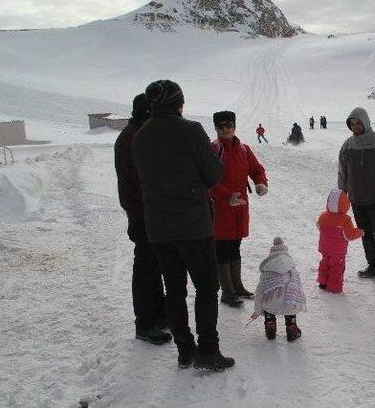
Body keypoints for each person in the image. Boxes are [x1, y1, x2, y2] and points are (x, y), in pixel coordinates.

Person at [133, 80, 234, 371]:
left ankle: (185, 350)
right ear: (179, 103)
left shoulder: (140, 136)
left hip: (159, 228)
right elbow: (213, 175)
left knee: (174, 289)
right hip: (192, 225)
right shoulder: (190, 131)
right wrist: (213, 158)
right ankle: (208, 350)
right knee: (205, 287)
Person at [114, 93, 170, 346]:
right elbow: (143, 180)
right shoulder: (134, 139)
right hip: (142, 213)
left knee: (153, 265)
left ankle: (158, 316)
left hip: (147, 211)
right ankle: (145, 324)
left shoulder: (136, 134)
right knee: (146, 268)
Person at [209, 110, 268, 308]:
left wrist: (260, 183)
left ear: (234, 126)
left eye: (228, 125)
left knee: (235, 247)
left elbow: (257, 169)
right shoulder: (213, 149)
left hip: (240, 208)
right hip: (220, 208)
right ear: (216, 128)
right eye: (220, 126)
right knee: (222, 249)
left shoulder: (243, 149)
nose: (225, 129)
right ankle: (227, 291)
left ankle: (237, 286)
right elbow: (208, 180)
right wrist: (226, 197)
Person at [338, 107, 375, 284]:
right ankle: (373, 266)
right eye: (352, 123)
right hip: (356, 199)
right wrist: (342, 193)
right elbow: (342, 171)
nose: (355, 126)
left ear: (365, 122)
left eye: (358, 122)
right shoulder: (348, 145)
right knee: (365, 234)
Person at [250, 237, 306, 341]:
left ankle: (270, 328)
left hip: (270, 306)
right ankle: (291, 329)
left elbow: (259, 292)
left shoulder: (267, 271)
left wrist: (257, 311)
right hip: (289, 305)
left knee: (269, 300)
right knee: (289, 302)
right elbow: (298, 289)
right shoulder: (292, 271)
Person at [316, 189, 364, 293]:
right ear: (344, 204)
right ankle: (334, 287)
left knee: (324, 263)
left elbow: (319, 227)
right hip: (337, 251)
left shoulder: (323, 216)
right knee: (336, 267)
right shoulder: (345, 220)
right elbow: (349, 235)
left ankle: (322, 282)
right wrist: (360, 232)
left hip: (324, 247)